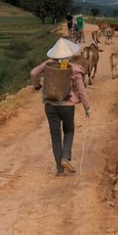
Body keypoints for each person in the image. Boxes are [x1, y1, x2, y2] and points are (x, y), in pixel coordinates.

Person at [30, 38, 91, 176]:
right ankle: (65, 157)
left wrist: (37, 87)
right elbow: (81, 90)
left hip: (50, 105)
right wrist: (87, 107)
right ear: (69, 54)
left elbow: (33, 73)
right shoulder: (74, 68)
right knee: (69, 131)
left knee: (55, 136)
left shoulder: (48, 65)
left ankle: (59, 169)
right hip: (67, 106)